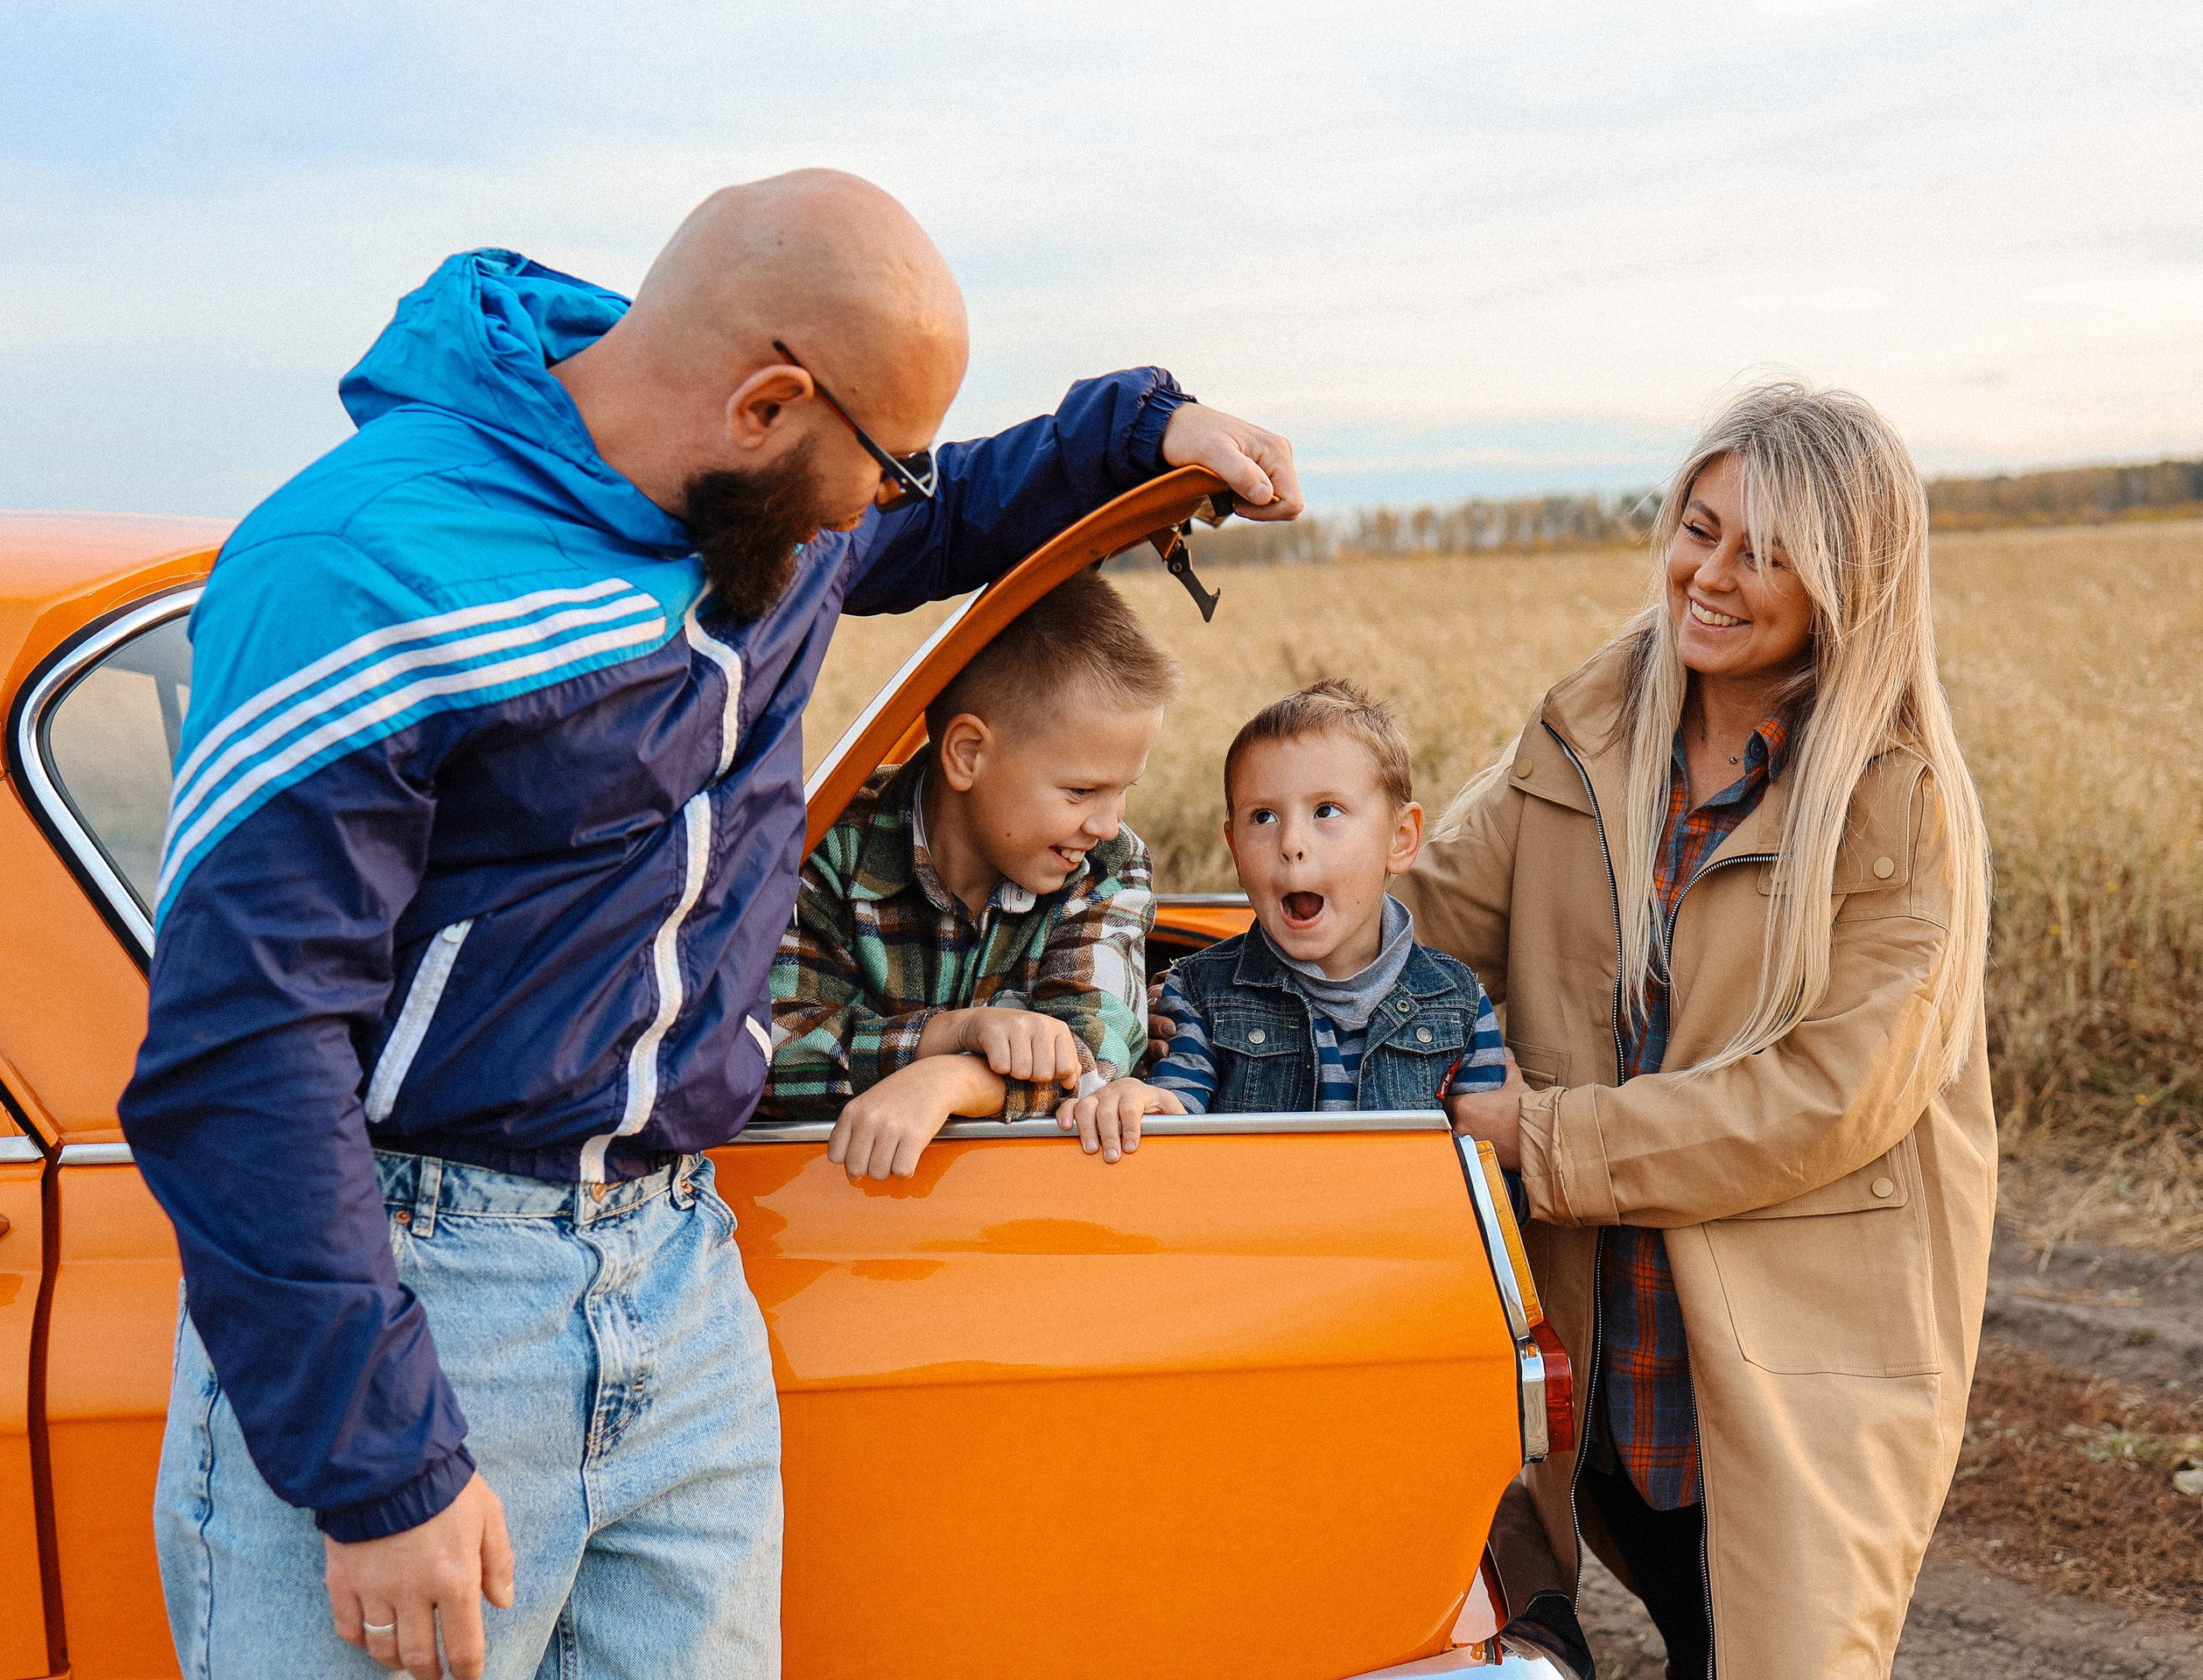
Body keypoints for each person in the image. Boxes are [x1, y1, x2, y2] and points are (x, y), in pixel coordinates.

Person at [118, 169, 1301, 1680]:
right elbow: (245, 1045)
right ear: (766, 407)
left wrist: (1142, 434)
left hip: (682, 1275)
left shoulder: (755, 512)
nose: (888, 509)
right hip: (424, 1291)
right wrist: (377, 1464)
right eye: (882, 464)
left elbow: (944, 516)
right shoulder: (361, 569)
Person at [1398, 383, 1996, 1676]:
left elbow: (1827, 1098)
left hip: (1791, 1378)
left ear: (1849, 581)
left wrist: (1543, 1137)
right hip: (1608, 1363)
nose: (1710, 577)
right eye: (1699, 527)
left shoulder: (1897, 804)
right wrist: (1126, 955)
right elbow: (1419, 925)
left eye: (1767, 554)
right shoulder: (1587, 731)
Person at [762, 570, 1178, 1177]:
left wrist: (954, 1080)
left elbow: (1096, 1058)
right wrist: (951, 1034)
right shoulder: (825, 848)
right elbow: (762, 1055)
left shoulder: (1107, 865)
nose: (1109, 824)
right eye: (1082, 790)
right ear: (968, 754)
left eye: (1124, 791)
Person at [1070, 682, 1522, 1179]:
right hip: (1259, 1250)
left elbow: (1491, 1187)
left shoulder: (1458, 1001)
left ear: (1401, 839)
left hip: (1404, 1250)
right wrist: (1143, 1103)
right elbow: (1178, 1117)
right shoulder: (1199, 993)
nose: (1291, 843)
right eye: (1263, 817)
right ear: (1234, 849)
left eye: (1326, 811)